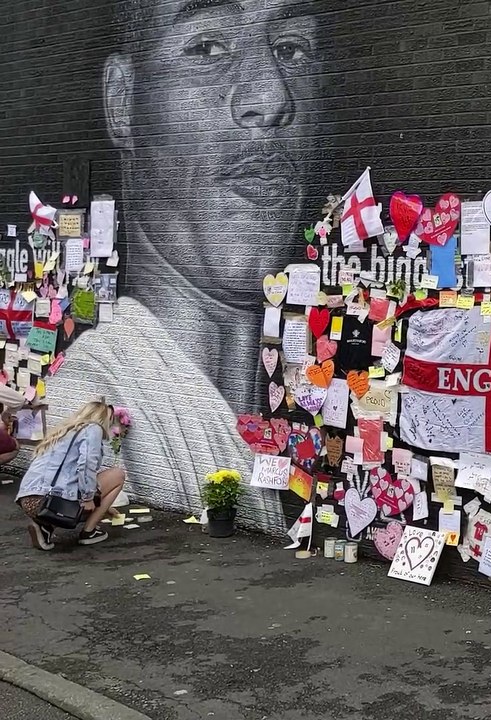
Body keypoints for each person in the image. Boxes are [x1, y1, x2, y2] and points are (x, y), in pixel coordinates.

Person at [42, 0, 328, 532]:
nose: (272, 96)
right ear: (122, 102)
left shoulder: (298, 402)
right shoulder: (90, 401)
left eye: (292, 48)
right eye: (207, 47)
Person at [15, 400, 126, 550]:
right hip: (49, 500)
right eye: (111, 419)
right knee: (118, 475)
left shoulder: (64, 431)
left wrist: (103, 505)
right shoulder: (94, 429)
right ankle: (89, 532)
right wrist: (88, 498)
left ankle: (45, 527)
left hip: (29, 500)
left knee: (83, 489)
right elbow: (86, 465)